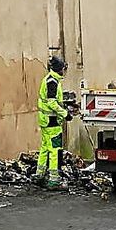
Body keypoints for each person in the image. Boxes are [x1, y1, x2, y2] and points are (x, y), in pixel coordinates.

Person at [36, 55, 71, 189]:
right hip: (52, 121)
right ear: (59, 69)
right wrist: (65, 114)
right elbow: (51, 102)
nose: (64, 71)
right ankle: (53, 179)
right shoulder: (53, 82)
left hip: (45, 120)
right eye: (63, 68)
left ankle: (39, 174)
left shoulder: (49, 79)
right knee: (55, 149)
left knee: (45, 147)